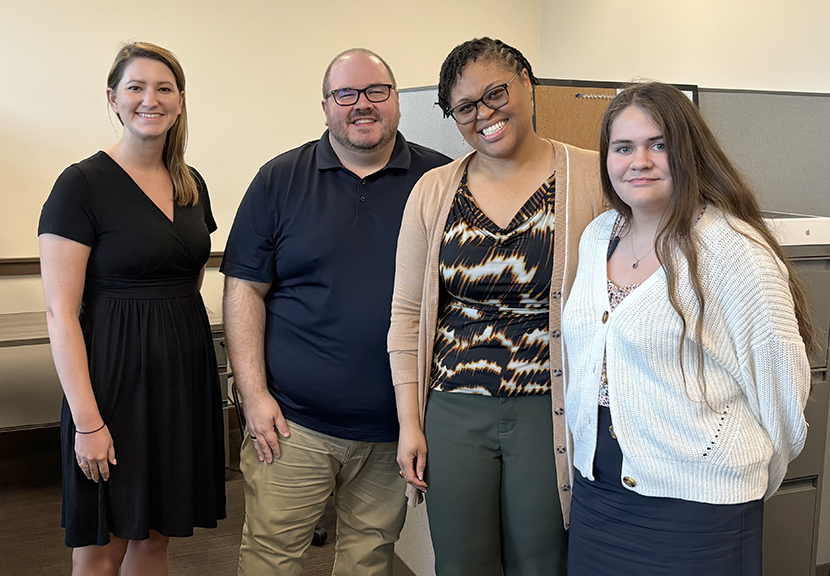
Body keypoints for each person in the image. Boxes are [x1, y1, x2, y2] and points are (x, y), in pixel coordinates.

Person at [562, 82, 814, 575]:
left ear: (688, 151)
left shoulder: (733, 251)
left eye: (659, 145)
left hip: (697, 506)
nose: (640, 161)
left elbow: (783, 388)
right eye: (623, 147)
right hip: (599, 489)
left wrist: (731, 469)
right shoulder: (598, 237)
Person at [221, 48, 449, 576]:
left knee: (369, 560)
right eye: (346, 94)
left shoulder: (439, 181)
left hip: (396, 426)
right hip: (292, 426)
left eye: (376, 92)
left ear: (397, 102)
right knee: (271, 559)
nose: (361, 105)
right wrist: (253, 397)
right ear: (325, 105)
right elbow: (243, 291)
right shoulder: (279, 179)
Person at [387, 37, 604, 576]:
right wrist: (410, 423)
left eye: (496, 93)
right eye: (464, 107)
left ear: (528, 83)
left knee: (544, 557)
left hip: (550, 404)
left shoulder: (595, 177)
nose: (484, 114)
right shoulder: (435, 191)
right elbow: (408, 316)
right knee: (462, 561)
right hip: (453, 407)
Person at [38, 42, 226, 576]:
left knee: (155, 537)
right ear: (113, 99)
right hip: (112, 385)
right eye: (136, 88)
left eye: (164, 88)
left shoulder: (192, 185)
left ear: (181, 100)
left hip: (181, 379)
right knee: (104, 547)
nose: (151, 99)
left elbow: (187, 279)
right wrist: (88, 422)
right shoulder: (80, 185)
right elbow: (60, 313)